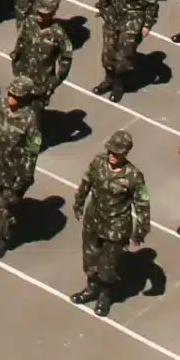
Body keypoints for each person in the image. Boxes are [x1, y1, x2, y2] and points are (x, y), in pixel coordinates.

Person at [70, 132, 151, 317]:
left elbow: (142, 204)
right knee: (90, 259)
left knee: (108, 266)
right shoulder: (98, 163)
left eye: (117, 153)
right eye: (111, 151)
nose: (112, 156)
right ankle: (91, 289)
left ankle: (105, 296)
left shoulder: (134, 176)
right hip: (94, 220)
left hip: (116, 227)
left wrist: (141, 228)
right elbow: (86, 183)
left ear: (125, 154)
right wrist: (78, 203)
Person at [0, 77, 45, 260]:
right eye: (11, 93)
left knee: (4, 207)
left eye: (16, 95)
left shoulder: (30, 119)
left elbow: (32, 150)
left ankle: (1, 239)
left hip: (14, 172)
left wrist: (24, 176)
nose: (11, 97)